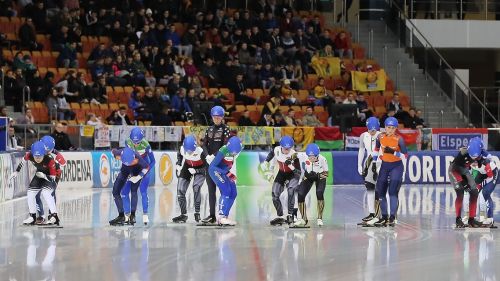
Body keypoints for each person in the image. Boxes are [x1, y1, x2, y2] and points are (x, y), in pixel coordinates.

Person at [10, 141, 60, 226]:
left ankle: (54, 217)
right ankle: (32, 216)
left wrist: (44, 176)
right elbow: (23, 161)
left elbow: (53, 179)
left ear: (44, 154)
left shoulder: (49, 160)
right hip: (39, 174)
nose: (37, 159)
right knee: (30, 193)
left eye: (39, 156)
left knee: (46, 193)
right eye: (35, 156)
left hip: (51, 176)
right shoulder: (29, 155)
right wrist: (16, 171)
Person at [372, 117, 408, 227]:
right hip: (384, 165)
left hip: (396, 166)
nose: (390, 130)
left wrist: (394, 152)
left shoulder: (399, 139)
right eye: (388, 128)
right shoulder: (380, 136)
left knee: (392, 192)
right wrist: (374, 162)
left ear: (396, 129)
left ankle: (392, 217)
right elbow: (376, 149)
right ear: (385, 127)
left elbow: (405, 156)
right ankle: (384, 216)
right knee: (380, 191)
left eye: (393, 128)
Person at [201, 106, 231, 224]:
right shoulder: (209, 129)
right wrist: (207, 156)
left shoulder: (226, 129)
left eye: (219, 117)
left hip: (220, 164)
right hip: (210, 164)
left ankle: (223, 215)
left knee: (224, 190)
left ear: (222, 117)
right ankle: (212, 215)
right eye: (214, 117)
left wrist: (215, 157)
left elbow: (225, 146)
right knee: (211, 189)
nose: (216, 119)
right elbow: (204, 144)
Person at [120, 128, 156, 225]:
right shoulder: (127, 141)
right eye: (133, 142)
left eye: (138, 142)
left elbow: (153, 161)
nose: (135, 144)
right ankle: (128, 216)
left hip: (144, 167)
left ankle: (145, 215)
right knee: (124, 191)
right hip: (133, 167)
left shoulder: (146, 145)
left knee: (143, 192)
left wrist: (142, 174)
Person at [262, 136, 300, 225]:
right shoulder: (277, 150)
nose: (287, 151)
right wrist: (266, 161)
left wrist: (291, 166)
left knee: (291, 191)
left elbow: (298, 172)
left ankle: (290, 215)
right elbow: (271, 154)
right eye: (285, 149)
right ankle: (280, 216)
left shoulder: (294, 155)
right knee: (275, 195)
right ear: (281, 147)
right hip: (282, 173)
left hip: (292, 175)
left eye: (289, 149)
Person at [109, 147, 151, 226]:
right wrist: (115, 156)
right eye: (127, 162)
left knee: (134, 191)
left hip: (137, 171)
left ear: (134, 158)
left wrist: (139, 177)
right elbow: (113, 151)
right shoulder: (119, 153)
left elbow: (147, 167)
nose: (129, 164)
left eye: (131, 162)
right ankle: (121, 216)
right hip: (124, 171)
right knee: (115, 191)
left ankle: (133, 215)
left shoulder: (138, 157)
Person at [208, 136, 244, 226]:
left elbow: (229, 163)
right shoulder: (223, 150)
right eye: (232, 152)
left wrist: (228, 173)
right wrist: (225, 172)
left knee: (233, 193)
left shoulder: (239, 148)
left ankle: (225, 216)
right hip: (215, 171)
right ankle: (221, 217)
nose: (234, 154)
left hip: (225, 171)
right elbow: (212, 166)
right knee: (226, 190)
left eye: (235, 152)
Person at [172, 135, 207, 223]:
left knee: (196, 187)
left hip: (200, 168)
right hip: (187, 167)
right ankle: (183, 215)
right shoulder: (181, 148)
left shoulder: (201, 151)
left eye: (191, 151)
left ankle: (197, 212)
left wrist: (196, 170)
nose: (189, 153)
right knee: (180, 190)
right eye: (187, 151)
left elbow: (207, 168)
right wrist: (179, 164)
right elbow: (179, 154)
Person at [294, 143, 329, 227]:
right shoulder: (303, 155)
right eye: (310, 157)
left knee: (319, 193)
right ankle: (303, 219)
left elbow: (326, 174)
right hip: (308, 176)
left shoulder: (323, 159)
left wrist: (317, 175)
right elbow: (294, 155)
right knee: (300, 194)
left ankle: (319, 218)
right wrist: (289, 159)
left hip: (320, 177)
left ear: (317, 155)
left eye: (313, 157)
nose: (311, 159)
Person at [34, 135, 66, 224]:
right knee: (36, 194)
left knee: (51, 193)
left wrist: (55, 182)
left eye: (48, 150)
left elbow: (59, 171)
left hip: (53, 174)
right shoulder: (39, 150)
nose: (46, 152)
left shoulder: (58, 157)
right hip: (41, 172)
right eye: (45, 150)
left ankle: (52, 215)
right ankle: (41, 216)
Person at [357, 117, 381, 226]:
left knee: (379, 190)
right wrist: (359, 164)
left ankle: (380, 215)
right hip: (368, 163)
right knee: (369, 187)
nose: (372, 132)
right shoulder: (363, 136)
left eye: (374, 130)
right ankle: (372, 213)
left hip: (380, 162)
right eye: (370, 130)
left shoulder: (381, 135)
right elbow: (361, 150)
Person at [468, 141, 498, 228]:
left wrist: (481, 184)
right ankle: (472, 217)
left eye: (475, 163)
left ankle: (490, 219)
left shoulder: (486, 163)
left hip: (492, 174)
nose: (473, 164)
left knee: (485, 193)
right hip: (482, 173)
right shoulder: (469, 160)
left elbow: (490, 177)